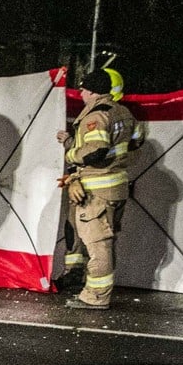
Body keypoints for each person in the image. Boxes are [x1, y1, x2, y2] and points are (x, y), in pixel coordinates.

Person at [57, 66, 142, 310]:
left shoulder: (95, 115)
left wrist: (71, 154)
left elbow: (96, 150)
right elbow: (136, 140)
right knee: (104, 240)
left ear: (93, 92)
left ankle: (95, 297)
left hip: (97, 190)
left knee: (98, 245)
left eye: (84, 89)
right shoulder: (124, 112)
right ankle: (86, 284)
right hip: (116, 187)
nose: (81, 93)